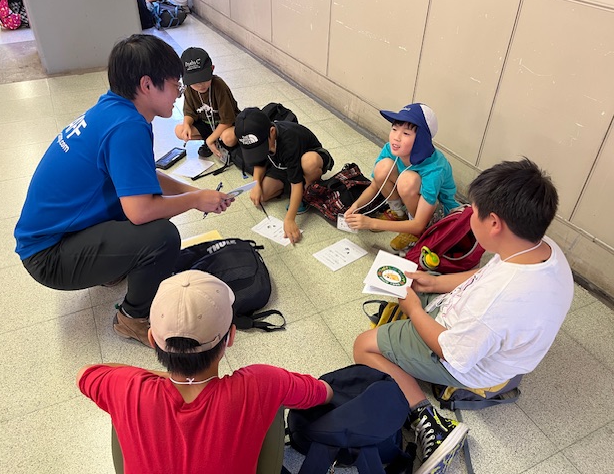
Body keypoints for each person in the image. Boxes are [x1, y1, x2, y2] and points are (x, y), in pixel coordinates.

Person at [353, 158, 574, 474]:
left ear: (494, 223)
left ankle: (429, 420)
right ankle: (418, 307)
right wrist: (435, 283)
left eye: (472, 212)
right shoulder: (535, 246)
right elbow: (485, 275)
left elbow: (452, 352)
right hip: (476, 326)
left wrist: (414, 308)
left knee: (363, 346)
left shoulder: (497, 302)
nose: (467, 217)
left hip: (466, 358)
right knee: (416, 279)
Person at [14, 34, 232, 348]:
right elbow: (140, 211)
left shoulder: (113, 109)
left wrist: (194, 193)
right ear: (147, 85)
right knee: (162, 236)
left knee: (141, 200)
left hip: (56, 236)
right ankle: (132, 319)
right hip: (49, 256)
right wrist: (195, 200)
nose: (178, 94)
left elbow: (143, 178)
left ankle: (112, 266)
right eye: (176, 85)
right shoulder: (127, 128)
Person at [77, 270, 334, 474]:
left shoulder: (127, 387)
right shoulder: (262, 383)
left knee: (119, 409)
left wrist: (156, 377)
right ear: (230, 337)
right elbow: (322, 393)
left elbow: (85, 374)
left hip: (140, 387)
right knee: (275, 405)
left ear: (152, 339)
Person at [344, 103, 459, 251]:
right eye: (394, 129)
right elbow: (375, 185)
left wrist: (371, 223)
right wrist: (355, 207)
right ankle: (399, 213)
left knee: (407, 180)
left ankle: (415, 233)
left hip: (438, 212)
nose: (396, 137)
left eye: (406, 133)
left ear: (421, 139)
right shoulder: (391, 149)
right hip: (413, 201)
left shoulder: (435, 168)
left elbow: (419, 224)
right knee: (383, 167)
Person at [234, 107, 334, 244]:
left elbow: (296, 183)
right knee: (262, 195)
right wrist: (256, 184)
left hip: (308, 159)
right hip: (282, 165)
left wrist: (289, 219)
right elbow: (259, 163)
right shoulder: (262, 137)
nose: (260, 151)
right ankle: (293, 190)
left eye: (262, 147)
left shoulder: (289, 140)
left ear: (272, 132)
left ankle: (307, 192)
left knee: (309, 163)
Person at [174, 47, 240, 160]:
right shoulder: (189, 89)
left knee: (228, 138)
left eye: (204, 79)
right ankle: (215, 140)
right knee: (179, 130)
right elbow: (189, 113)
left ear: (212, 69)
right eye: (195, 82)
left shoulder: (219, 86)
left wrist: (210, 140)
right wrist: (187, 125)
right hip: (207, 125)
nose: (200, 85)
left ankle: (216, 141)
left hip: (225, 125)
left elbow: (227, 120)